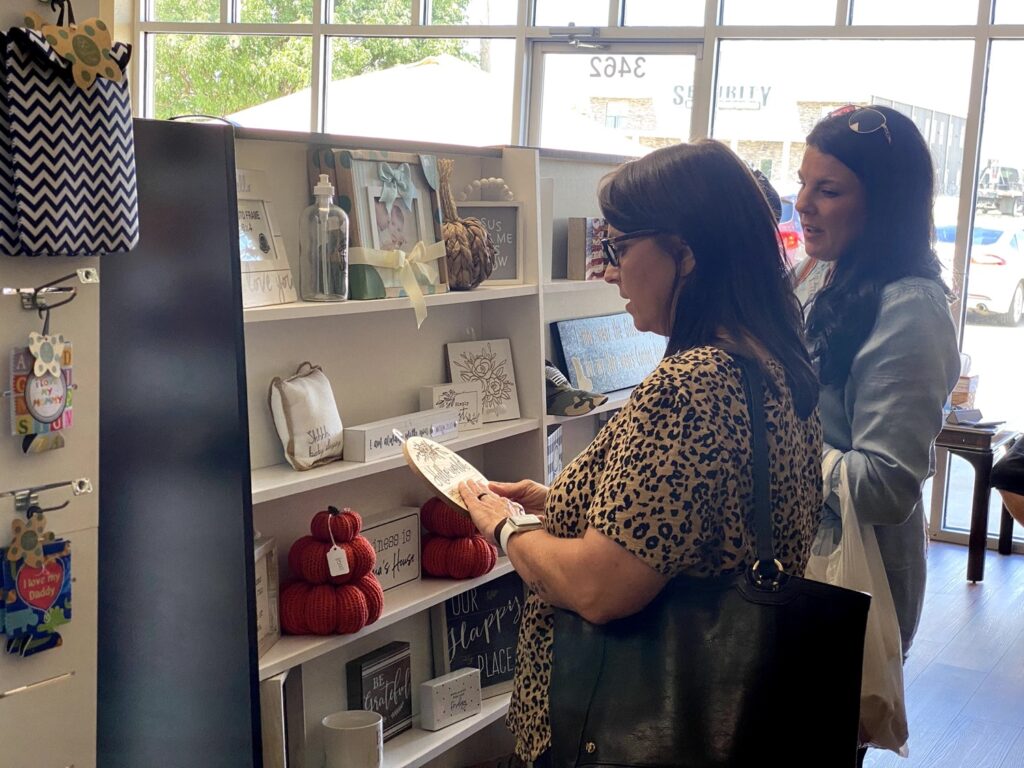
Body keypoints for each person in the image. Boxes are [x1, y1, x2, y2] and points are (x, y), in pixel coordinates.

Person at [456, 139, 823, 765]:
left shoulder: (690, 385)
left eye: (619, 247)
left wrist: (505, 527)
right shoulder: (773, 363)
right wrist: (559, 503)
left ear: (685, 252)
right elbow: (694, 523)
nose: (608, 270)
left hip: (630, 728)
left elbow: (601, 588)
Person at [793, 105, 961, 759]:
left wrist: (770, 445)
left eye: (828, 190)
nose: (803, 204)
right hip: (798, 573)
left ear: (883, 203)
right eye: (803, 183)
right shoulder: (825, 272)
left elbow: (886, 484)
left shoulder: (909, 307)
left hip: (846, 588)